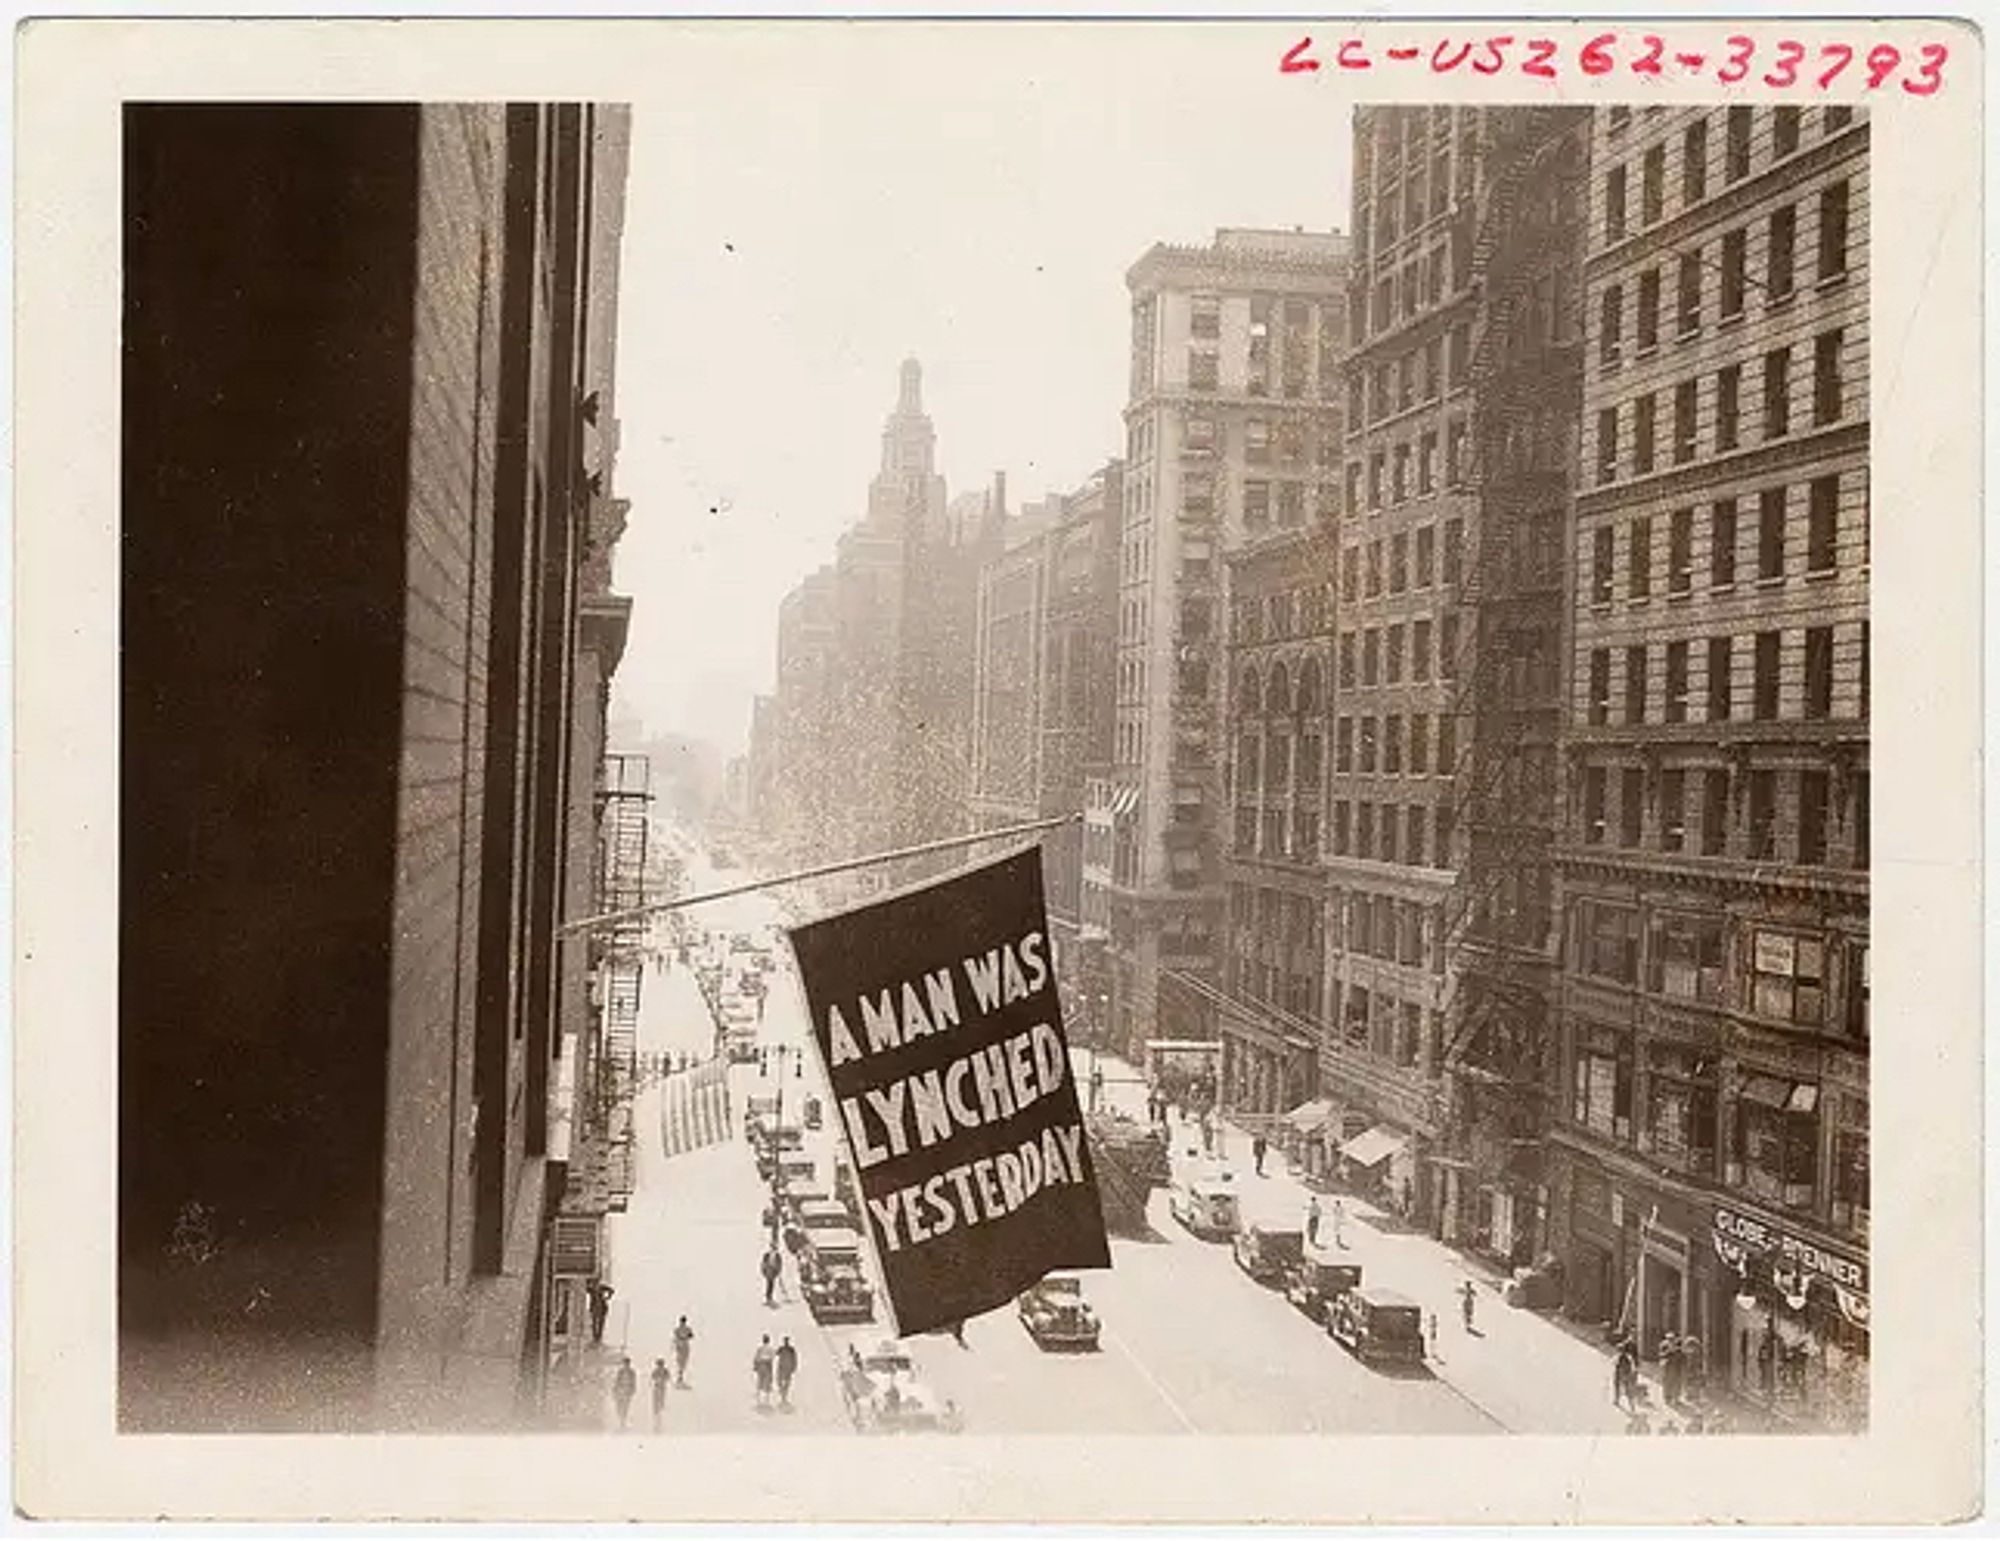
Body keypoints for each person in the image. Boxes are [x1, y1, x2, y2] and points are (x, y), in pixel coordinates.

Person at [610, 1356, 638, 1431]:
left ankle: (623, 1422)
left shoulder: (632, 1372)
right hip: (620, 1391)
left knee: (625, 1407)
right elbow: (616, 1381)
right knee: (619, 1406)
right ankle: (621, 1419)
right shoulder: (620, 1372)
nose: (626, 1365)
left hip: (627, 1391)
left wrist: (633, 1390)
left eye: (627, 1363)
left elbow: (634, 1382)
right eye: (625, 1363)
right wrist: (614, 1389)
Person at [1613, 1337, 1638, 1411]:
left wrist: (1631, 1374)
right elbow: (1614, 1364)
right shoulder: (1618, 1357)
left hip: (1626, 1374)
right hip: (1619, 1374)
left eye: (1620, 1350)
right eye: (1618, 1350)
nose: (1619, 1352)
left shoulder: (1628, 1357)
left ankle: (1632, 1406)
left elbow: (1632, 1366)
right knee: (1617, 1386)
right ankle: (1617, 1399)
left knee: (1628, 1391)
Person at [587, 1281, 614, 1346]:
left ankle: (598, 1336)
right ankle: (595, 1336)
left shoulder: (601, 1287)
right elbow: (586, 1290)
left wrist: (607, 1297)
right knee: (594, 1322)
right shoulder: (591, 1289)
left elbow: (611, 1291)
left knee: (600, 1322)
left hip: (601, 1307)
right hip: (594, 1308)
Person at [774, 1336, 799, 1408]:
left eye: (786, 1341)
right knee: (781, 1381)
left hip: (785, 1368)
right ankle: (783, 1393)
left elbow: (794, 1358)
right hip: (784, 1368)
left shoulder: (790, 1349)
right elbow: (776, 1354)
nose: (785, 1342)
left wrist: (794, 1367)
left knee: (784, 1382)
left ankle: (784, 1394)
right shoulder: (786, 1349)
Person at [752, 1335, 775, 1408]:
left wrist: (755, 1366)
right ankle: (766, 1398)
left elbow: (756, 1358)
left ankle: (759, 1395)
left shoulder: (760, 1348)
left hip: (761, 1365)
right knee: (767, 1380)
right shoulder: (770, 1349)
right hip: (767, 1365)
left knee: (760, 1380)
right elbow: (772, 1358)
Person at [672, 1316, 694, 1388]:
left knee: (683, 1362)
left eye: (684, 1321)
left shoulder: (688, 1329)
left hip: (685, 1346)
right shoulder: (677, 1329)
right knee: (679, 1362)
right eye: (682, 1321)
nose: (683, 1323)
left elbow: (691, 1335)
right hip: (680, 1346)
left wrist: (687, 1337)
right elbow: (675, 1337)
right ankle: (679, 1378)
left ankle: (681, 1377)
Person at [649, 1358, 670, 1430]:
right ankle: (656, 1422)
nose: (660, 1366)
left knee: (661, 1405)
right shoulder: (656, 1371)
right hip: (657, 1388)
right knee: (655, 1406)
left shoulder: (665, 1371)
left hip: (662, 1389)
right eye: (659, 1364)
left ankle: (659, 1422)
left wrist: (662, 1380)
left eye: (661, 1364)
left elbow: (667, 1378)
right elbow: (652, 1378)